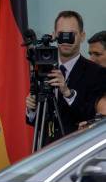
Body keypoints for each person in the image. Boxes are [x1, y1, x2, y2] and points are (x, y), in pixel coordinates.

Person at [26, 11, 106, 145]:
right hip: (46, 150)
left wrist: (68, 93)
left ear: (82, 36)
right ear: (54, 36)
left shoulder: (97, 73)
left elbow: (95, 119)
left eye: (71, 34)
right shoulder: (43, 68)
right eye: (61, 34)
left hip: (78, 152)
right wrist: (31, 110)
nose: (66, 39)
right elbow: (37, 123)